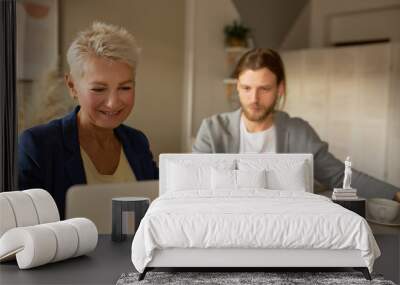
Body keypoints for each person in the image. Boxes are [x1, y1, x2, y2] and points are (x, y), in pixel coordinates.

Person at [193, 48, 400, 202]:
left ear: (280, 88)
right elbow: (195, 184)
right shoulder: (212, 130)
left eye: (264, 89)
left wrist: (396, 194)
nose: (254, 98)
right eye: (246, 88)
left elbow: (338, 176)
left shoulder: (298, 131)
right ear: (237, 86)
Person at [18, 22, 158, 218]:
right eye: (99, 89)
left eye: (125, 88)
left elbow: (159, 211)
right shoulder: (39, 146)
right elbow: (26, 231)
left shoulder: (137, 143)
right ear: (72, 86)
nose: (112, 103)